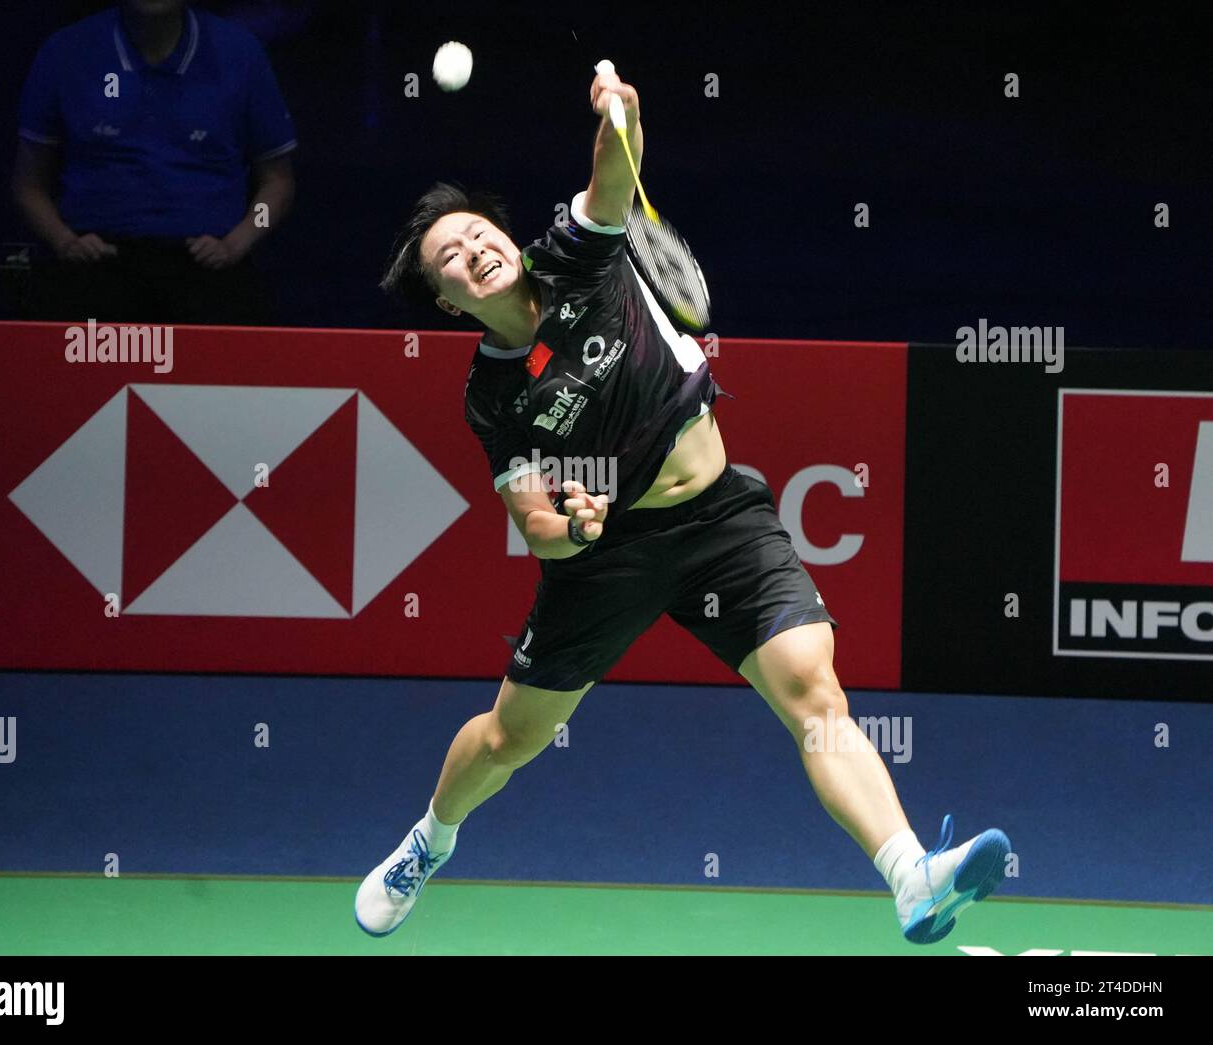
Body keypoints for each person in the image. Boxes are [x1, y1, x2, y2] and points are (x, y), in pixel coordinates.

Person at [364, 65, 1010, 945]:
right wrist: (575, 528)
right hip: (609, 554)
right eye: (453, 257)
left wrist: (616, 111)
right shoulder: (492, 396)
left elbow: (613, 177)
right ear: (448, 301)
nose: (475, 250)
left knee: (815, 694)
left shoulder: (573, 256)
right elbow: (534, 525)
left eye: (479, 233)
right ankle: (427, 841)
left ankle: (910, 876)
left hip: (721, 521)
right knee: (510, 740)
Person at [12, 0, 296, 325]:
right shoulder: (65, 51)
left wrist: (238, 242)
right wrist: (63, 241)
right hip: (93, 263)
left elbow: (277, 183)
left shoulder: (241, 52)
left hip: (207, 267)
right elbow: (28, 186)